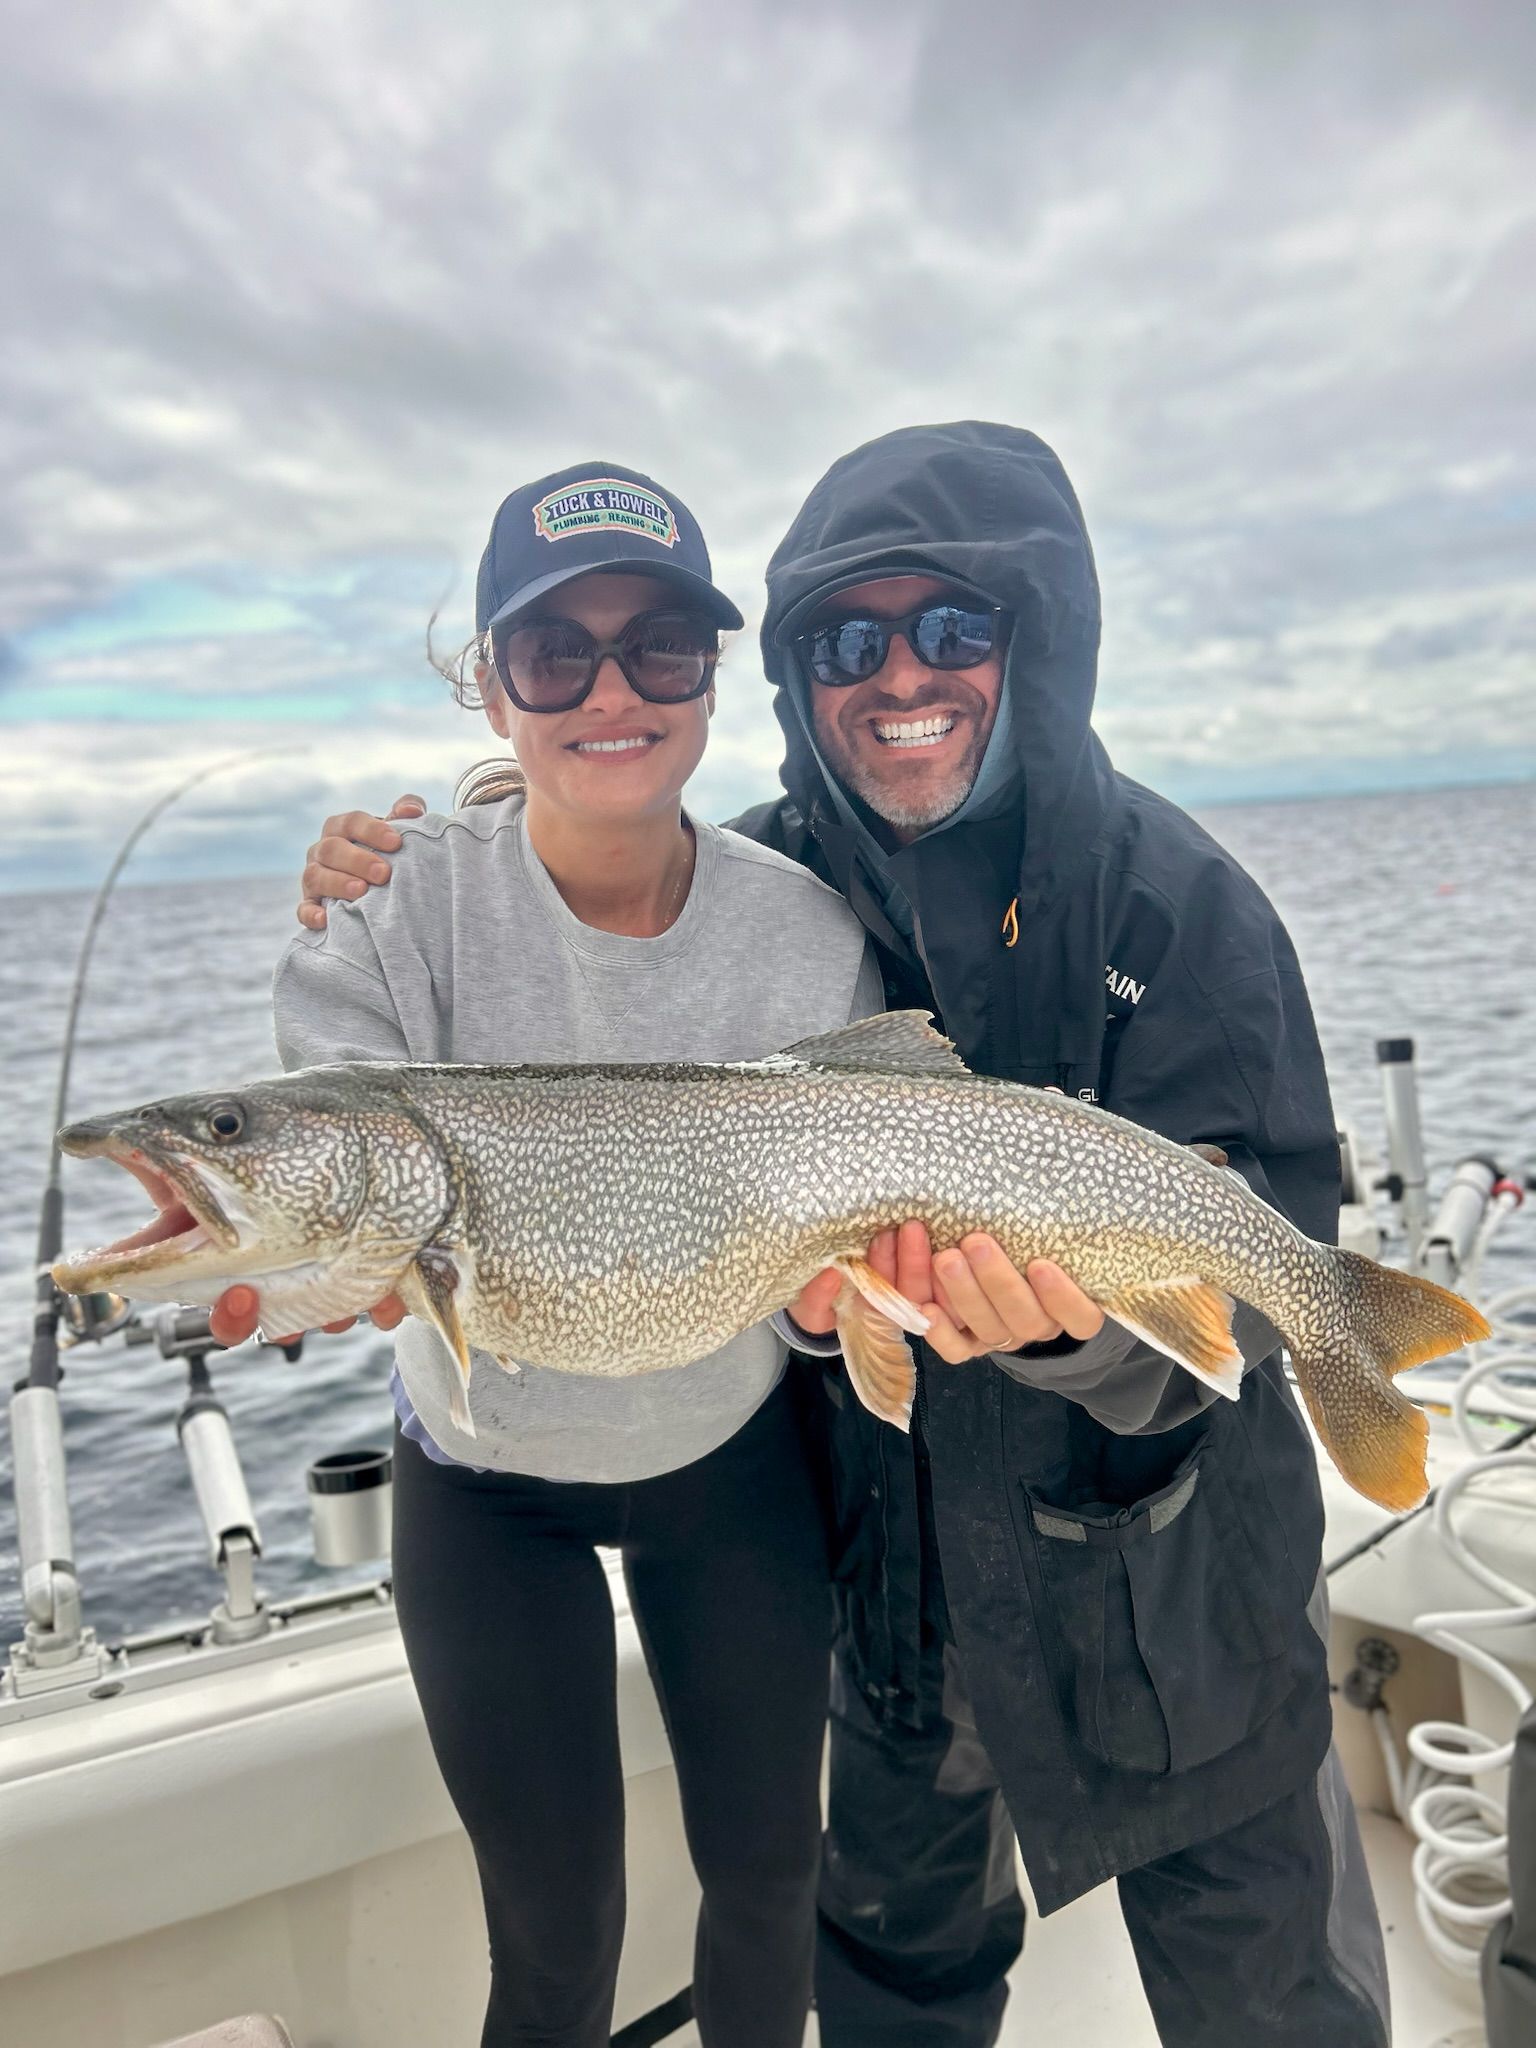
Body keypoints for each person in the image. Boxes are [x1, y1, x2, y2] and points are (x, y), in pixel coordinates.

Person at [291, 423, 1392, 2048]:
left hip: (1171, 1605)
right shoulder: (781, 874)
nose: (901, 676)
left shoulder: (1179, 900)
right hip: (895, 1592)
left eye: (952, 626)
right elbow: (611, 899)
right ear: (795, 672)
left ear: (1031, 642)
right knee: (891, 2000)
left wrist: (1086, 1334)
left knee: (1264, 2001)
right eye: (846, 639)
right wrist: (441, 835)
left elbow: (1263, 1216)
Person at [219, 458, 909, 2048]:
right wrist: (313, 1270)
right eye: (554, 654)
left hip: (722, 1458)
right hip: (481, 1481)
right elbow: (322, 1203)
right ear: (489, 683)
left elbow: (829, 1282)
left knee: (767, 1880)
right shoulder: (385, 907)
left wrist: (832, 1300)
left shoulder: (808, 936)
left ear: (714, 680)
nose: (613, 691)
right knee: (553, 1934)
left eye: (661, 647)